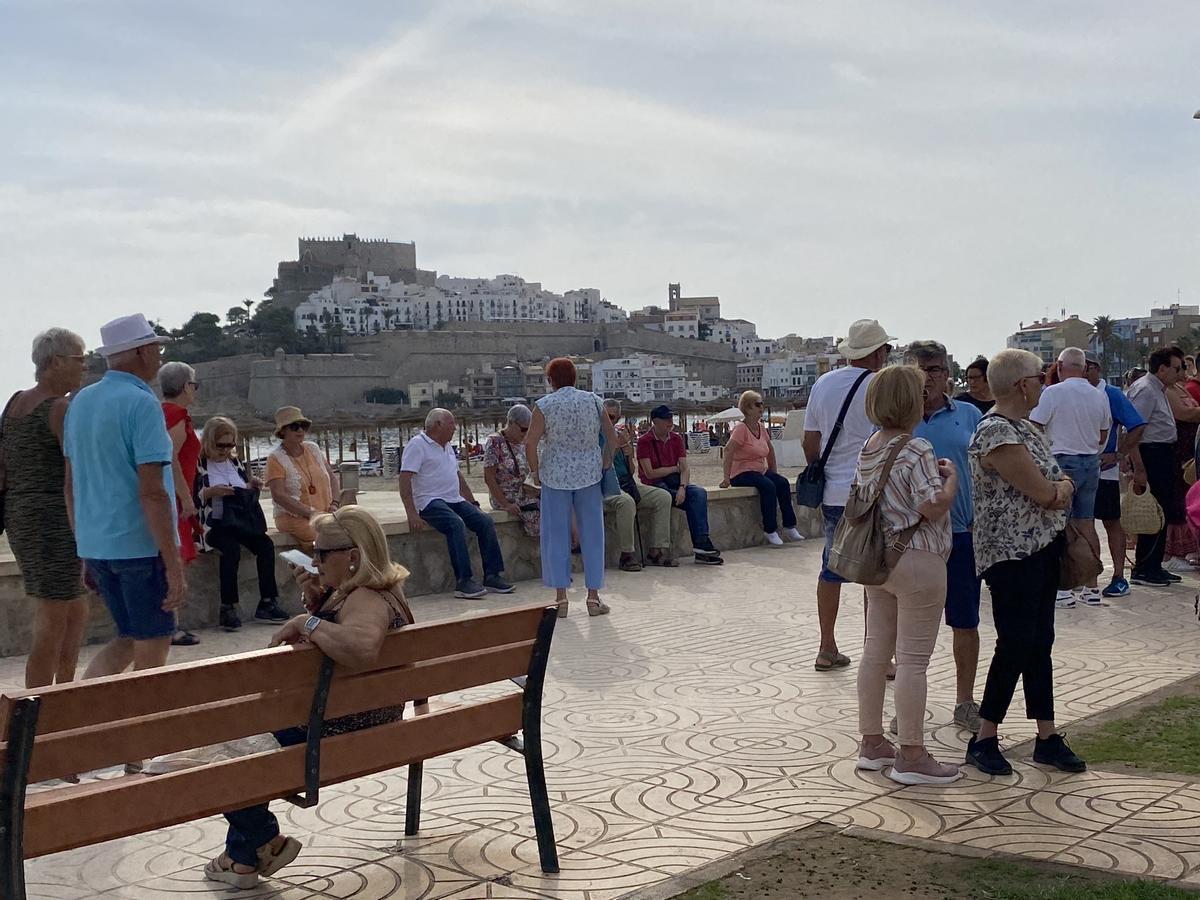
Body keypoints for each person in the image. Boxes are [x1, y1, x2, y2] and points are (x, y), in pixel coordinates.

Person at [204, 506, 414, 889]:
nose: (313, 561)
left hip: (335, 730)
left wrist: (306, 621)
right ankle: (250, 851)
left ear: (352, 556)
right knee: (236, 734)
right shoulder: (378, 589)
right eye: (312, 552)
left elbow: (362, 648)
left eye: (321, 554)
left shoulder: (366, 597)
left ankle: (252, 849)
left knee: (223, 748)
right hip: (364, 719)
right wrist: (318, 603)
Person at [965, 349, 1085, 777]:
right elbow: (1045, 490)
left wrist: (1061, 485)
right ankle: (984, 737)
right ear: (1022, 384)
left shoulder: (1024, 429)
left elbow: (1053, 482)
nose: (1044, 384)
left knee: (1039, 643)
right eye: (1040, 377)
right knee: (1015, 643)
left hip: (1040, 549)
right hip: (1011, 556)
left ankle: (1047, 736)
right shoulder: (997, 432)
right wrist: (1064, 486)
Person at [853, 366, 960, 785]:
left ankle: (872, 742)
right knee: (913, 661)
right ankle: (912, 754)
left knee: (875, 652)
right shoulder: (915, 448)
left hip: (879, 560)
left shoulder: (870, 446)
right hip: (919, 558)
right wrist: (950, 481)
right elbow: (932, 505)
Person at [63, 314, 185, 678]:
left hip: (99, 547)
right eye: (157, 348)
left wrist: (84, 548)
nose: (160, 356)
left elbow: (71, 485)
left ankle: (84, 714)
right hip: (140, 549)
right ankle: (140, 729)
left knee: (128, 639)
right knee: (152, 647)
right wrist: (173, 563)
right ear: (143, 351)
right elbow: (152, 492)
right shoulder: (141, 404)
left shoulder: (81, 402)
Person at [802, 318, 895, 671]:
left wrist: (825, 470)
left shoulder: (823, 384)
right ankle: (881, 656)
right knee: (878, 576)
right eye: (886, 349)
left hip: (833, 494)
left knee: (831, 569)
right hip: (872, 494)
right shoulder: (880, 385)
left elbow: (811, 441)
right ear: (876, 353)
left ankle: (827, 646)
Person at [1, 328, 90, 689]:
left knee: (73, 608)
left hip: (21, 513)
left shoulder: (14, 403)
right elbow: (77, 473)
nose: (83, 368)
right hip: (54, 516)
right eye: (79, 360)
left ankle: (64, 693)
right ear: (56, 362)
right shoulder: (60, 408)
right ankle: (36, 707)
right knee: (54, 614)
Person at [906, 341, 984, 733]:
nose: (927, 377)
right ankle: (904, 710)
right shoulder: (897, 420)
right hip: (913, 541)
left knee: (965, 622)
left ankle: (965, 701)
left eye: (934, 369)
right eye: (919, 369)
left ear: (946, 372)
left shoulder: (970, 415)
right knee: (906, 628)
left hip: (961, 535)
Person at [526, 357, 619, 617]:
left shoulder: (544, 406)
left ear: (550, 380)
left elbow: (530, 443)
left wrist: (535, 472)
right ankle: (593, 597)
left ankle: (561, 599)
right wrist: (604, 463)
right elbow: (612, 437)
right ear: (575, 377)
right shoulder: (593, 401)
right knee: (593, 535)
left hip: (555, 477)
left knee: (556, 536)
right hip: (589, 475)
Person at [400, 408, 514, 599]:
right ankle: (463, 581)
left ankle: (492, 576)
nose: (455, 428)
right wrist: (411, 513)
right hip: (429, 501)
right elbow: (404, 479)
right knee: (455, 524)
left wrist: (472, 502)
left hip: (454, 499)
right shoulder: (417, 445)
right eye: (451, 423)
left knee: (484, 521)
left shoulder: (447, 447)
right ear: (438, 424)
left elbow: (458, 477)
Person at [1029, 348, 1110, 608]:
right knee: (1087, 524)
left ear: (1061, 365)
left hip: (1062, 462)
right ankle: (1092, 587)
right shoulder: (1098, 395)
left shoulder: (1052, 393)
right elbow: (1103, 433)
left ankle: (1063, 588)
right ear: (1085, 367)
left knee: (1059, 526)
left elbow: (1035, 425)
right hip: (1090, 462)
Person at [195, 416, 289, 631]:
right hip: (215, 524)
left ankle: (267, 601)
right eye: (221, 445)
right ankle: (227, 606)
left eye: (230, 445)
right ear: (210, 441)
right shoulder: (199, 464)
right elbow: (191, 498)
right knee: (231, 551)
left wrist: (250, 485)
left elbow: (240, 486)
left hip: (239, 520)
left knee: (265, 546)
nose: (226, 450)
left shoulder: (234, 462)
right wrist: (211, 492)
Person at [1126, 347, 1190, 587]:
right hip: (1151, 453)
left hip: (1163, 453)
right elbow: (1133, 430)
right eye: (1177, 368)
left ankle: (1154, 565)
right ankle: (1144, 567)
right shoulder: (1145, 390)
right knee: (1152, 510)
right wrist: (1138, 466)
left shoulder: (1160, 389)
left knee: (1162, 509)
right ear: (1162, 369)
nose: (1180, 372)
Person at [1084, 355, 1146, 598]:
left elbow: (1137, 425)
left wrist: (1119, 454)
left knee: (1111, 522)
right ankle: (1085, 577)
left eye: (1085, 368)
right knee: (1081, 524)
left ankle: (1119, 576)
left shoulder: (1110, 394)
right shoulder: (1067, 393)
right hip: (1077, 470)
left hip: (1104, 471)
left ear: (1096, 369)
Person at [638, 405, 723, 566]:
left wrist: (683, 487)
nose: (670, 422)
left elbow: (685, 467)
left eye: (671, 418)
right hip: (655, 485)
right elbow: (649, 473)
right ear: (655, 421)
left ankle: (701, 543)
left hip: (676, 481)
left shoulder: (676, 439)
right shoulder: (644, 442)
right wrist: (673, 469)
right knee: (676, 499)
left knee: (698, 493)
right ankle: (699, 547)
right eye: (666, 419)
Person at [720, 390, 804, 546]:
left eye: (762, 404)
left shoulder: (760, 427)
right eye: (758, 404)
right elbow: (728, 450)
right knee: (768, 486)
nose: (761, 407)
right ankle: (770, 530)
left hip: (759, 470)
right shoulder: (740, 429)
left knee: (782, 483)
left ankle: (789, 526)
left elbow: (770, 450)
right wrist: (726, 477)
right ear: (748, 408)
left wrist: (773, 472)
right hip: (741, 472)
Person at [603, 399, 677, 569]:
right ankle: (627, 554)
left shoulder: (618, 435)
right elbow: (602, 467)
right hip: (605, 485)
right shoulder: (595, 437)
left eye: (612, 417)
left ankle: (657, 550)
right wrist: (615, 448)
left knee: (663, 497)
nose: (608, 421)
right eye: (605, 416)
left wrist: (628, 453)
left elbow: (631, 471)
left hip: (625, 482)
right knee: (626, 502)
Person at [159, 361, 202, 647]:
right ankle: (170, 627)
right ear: (186, 386)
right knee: (175, 561)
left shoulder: (160, 413)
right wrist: (186, 499)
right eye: (194, 385)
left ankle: (169, 625)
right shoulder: (176, 415)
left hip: (168, 496)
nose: (195, 390)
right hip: (175, 498)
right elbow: (170, 458)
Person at [265, 407, 341, 552]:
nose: (300, 430)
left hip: (324, 513)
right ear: (283, 431)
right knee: (325, 536)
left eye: (303, 426)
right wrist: (311, 513)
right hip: (293, 517)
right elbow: (279, 496)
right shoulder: (275, 459)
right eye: (294, 427)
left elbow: (331, 477)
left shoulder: (313, 449)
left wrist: (335, 504)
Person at [483, 404, 541, 538]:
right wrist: (505, 504)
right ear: (511, 423)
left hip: (526, 492)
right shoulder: (495, 442)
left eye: (529, 430)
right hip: (507, 495)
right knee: (538, 513)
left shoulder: (523, 442)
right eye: (523, 429)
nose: (526, 433)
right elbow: (489, 477)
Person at [1162, 373, 1200, 572]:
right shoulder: (1169, 390)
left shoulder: (1181, 388)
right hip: (1179, 451)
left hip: (1189, 447)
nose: (1182, 371)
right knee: (1180, 500)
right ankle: (1172, 554)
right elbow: (1185, 414)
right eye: (1177, 367)